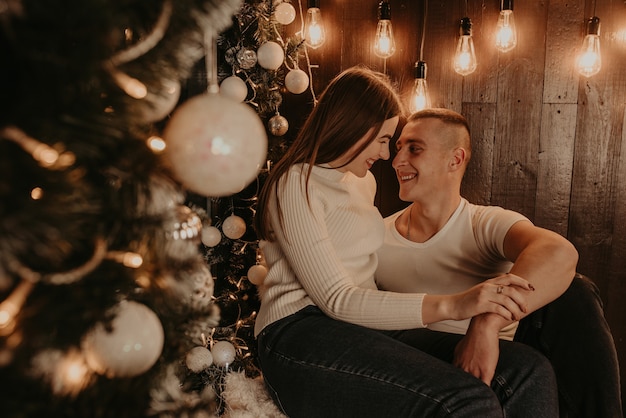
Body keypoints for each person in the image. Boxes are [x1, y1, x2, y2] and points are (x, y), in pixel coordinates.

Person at [253, 67, 560, 418]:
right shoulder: (296, 183)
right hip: (299, 331)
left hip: (358, 329)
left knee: (527, 370)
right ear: (354, 125)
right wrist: (457, 305)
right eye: (383, 140)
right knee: (465, 401)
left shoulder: (362, 182)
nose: (386, 155)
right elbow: (336, 299)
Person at [375, 107, 622, 418]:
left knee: (576, 291)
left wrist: (486, 324)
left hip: (501, 370)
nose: (396, 161)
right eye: (398, 148)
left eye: (414, 149)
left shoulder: (484, 223)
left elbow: (559, 252)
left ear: (455, 159)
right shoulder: (376, 236)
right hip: (422, 370)